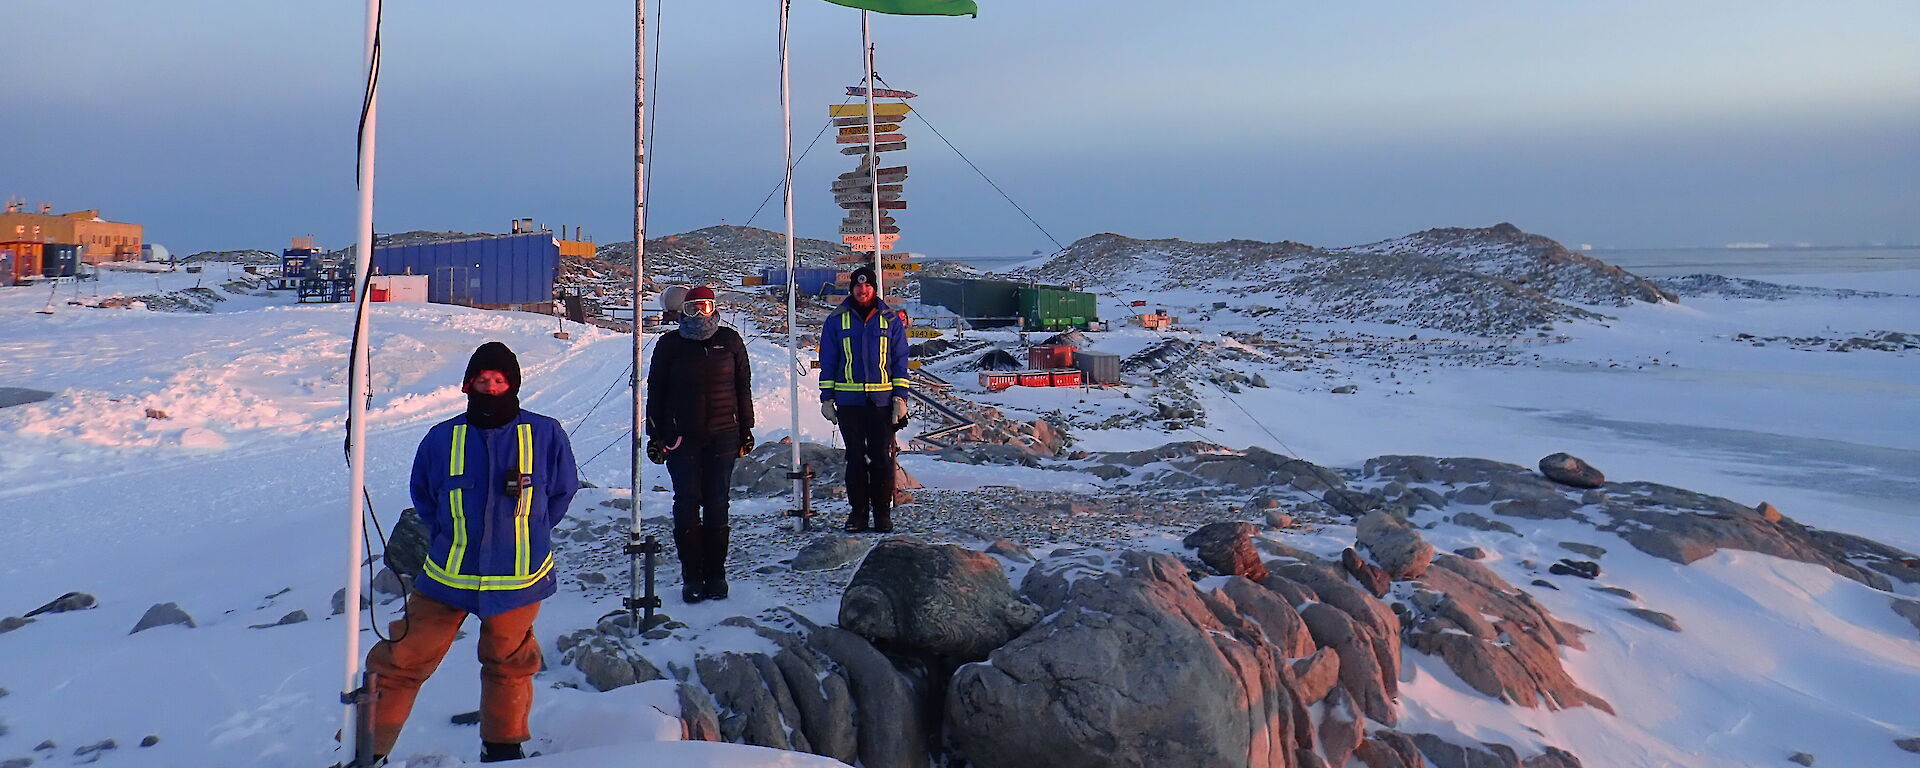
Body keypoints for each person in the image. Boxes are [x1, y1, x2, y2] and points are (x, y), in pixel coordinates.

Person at [361, 342, 579, 764]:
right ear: (468, 384)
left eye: (499, 381)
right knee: (401, 659)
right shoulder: (441, 437)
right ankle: (366, 749)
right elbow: (424, 497)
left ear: (513, 384)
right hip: (446, 579)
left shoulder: (546, 432)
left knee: (510, 666)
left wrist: (527, 535)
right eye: (483, 380)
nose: (491, 388)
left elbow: (560, 493)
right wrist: (450, 535)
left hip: (517, 581)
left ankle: (503, 748)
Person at [646, 285, 754, 603]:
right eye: (694, 308)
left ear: (715, 309)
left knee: (718, 503)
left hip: (724, 435)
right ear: (683, 311)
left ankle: (716, 575)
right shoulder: (670, 345)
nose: (700, 314)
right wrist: (656, 436)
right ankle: (692, 577)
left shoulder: (730, 341)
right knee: (687, 504)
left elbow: (743, 387)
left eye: (706, 307)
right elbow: (657, 392)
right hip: (682, 439)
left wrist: (746, 429)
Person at [818, 266, 910, 533]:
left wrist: (900, 398)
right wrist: (827, 399)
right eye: (858, 286)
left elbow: (900, 362)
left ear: (874, 288)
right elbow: (829, 362)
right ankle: (858, 514)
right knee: (855, 459)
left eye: (867, 285)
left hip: (881, 403)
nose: (862, 289)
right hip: (849, 403)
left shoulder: (890, 320)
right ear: (852, 289)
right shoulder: (836, 320)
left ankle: (882, 514)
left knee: (882, 458)